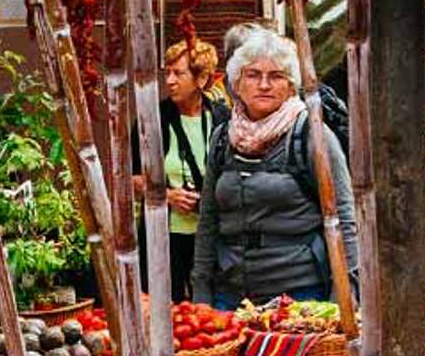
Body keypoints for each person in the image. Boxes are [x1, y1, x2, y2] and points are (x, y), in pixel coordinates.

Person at [191, 28, 358, 310]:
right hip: (231, 294)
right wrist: (201, 293)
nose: (264, 85)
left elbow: (345, 219)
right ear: (236, 83)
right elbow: (207, 222)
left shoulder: (312, 136)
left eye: (276, 76)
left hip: (300, 295)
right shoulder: (223, 138)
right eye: (253, 75)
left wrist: (345, 296)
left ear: (291, 86)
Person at [132, 37, 228, 302]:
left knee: (214, 310)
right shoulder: (153, 118)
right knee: (169, 309)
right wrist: (166, 196)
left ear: (201, 79)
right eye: (168, 73)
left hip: (214, 236)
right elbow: (131, 179)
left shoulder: (224, 118)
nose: (170, 81)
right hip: (167, 237)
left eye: (179, 73)